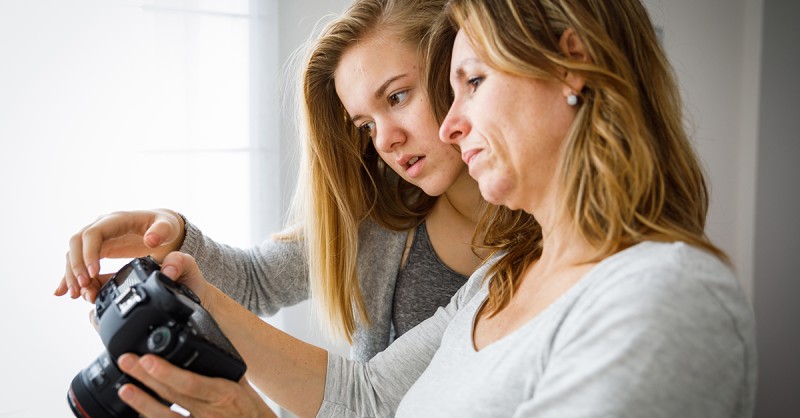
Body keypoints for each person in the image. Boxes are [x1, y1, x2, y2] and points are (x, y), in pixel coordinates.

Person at [110, 0, 757, 417]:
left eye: (472, 82)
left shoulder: (666, 294)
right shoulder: (496, 284)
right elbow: (362, 401)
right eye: (365, 123)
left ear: (571, 65)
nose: (450, 125)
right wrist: (190, 286)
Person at [55, 0, 487, 361]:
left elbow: (366, 395)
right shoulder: (381, 214)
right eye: (365, 126)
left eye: (397, 97)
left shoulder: (546, 239)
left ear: (459, 68)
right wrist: (174, 236)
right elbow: (257, 282)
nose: (387, 140)